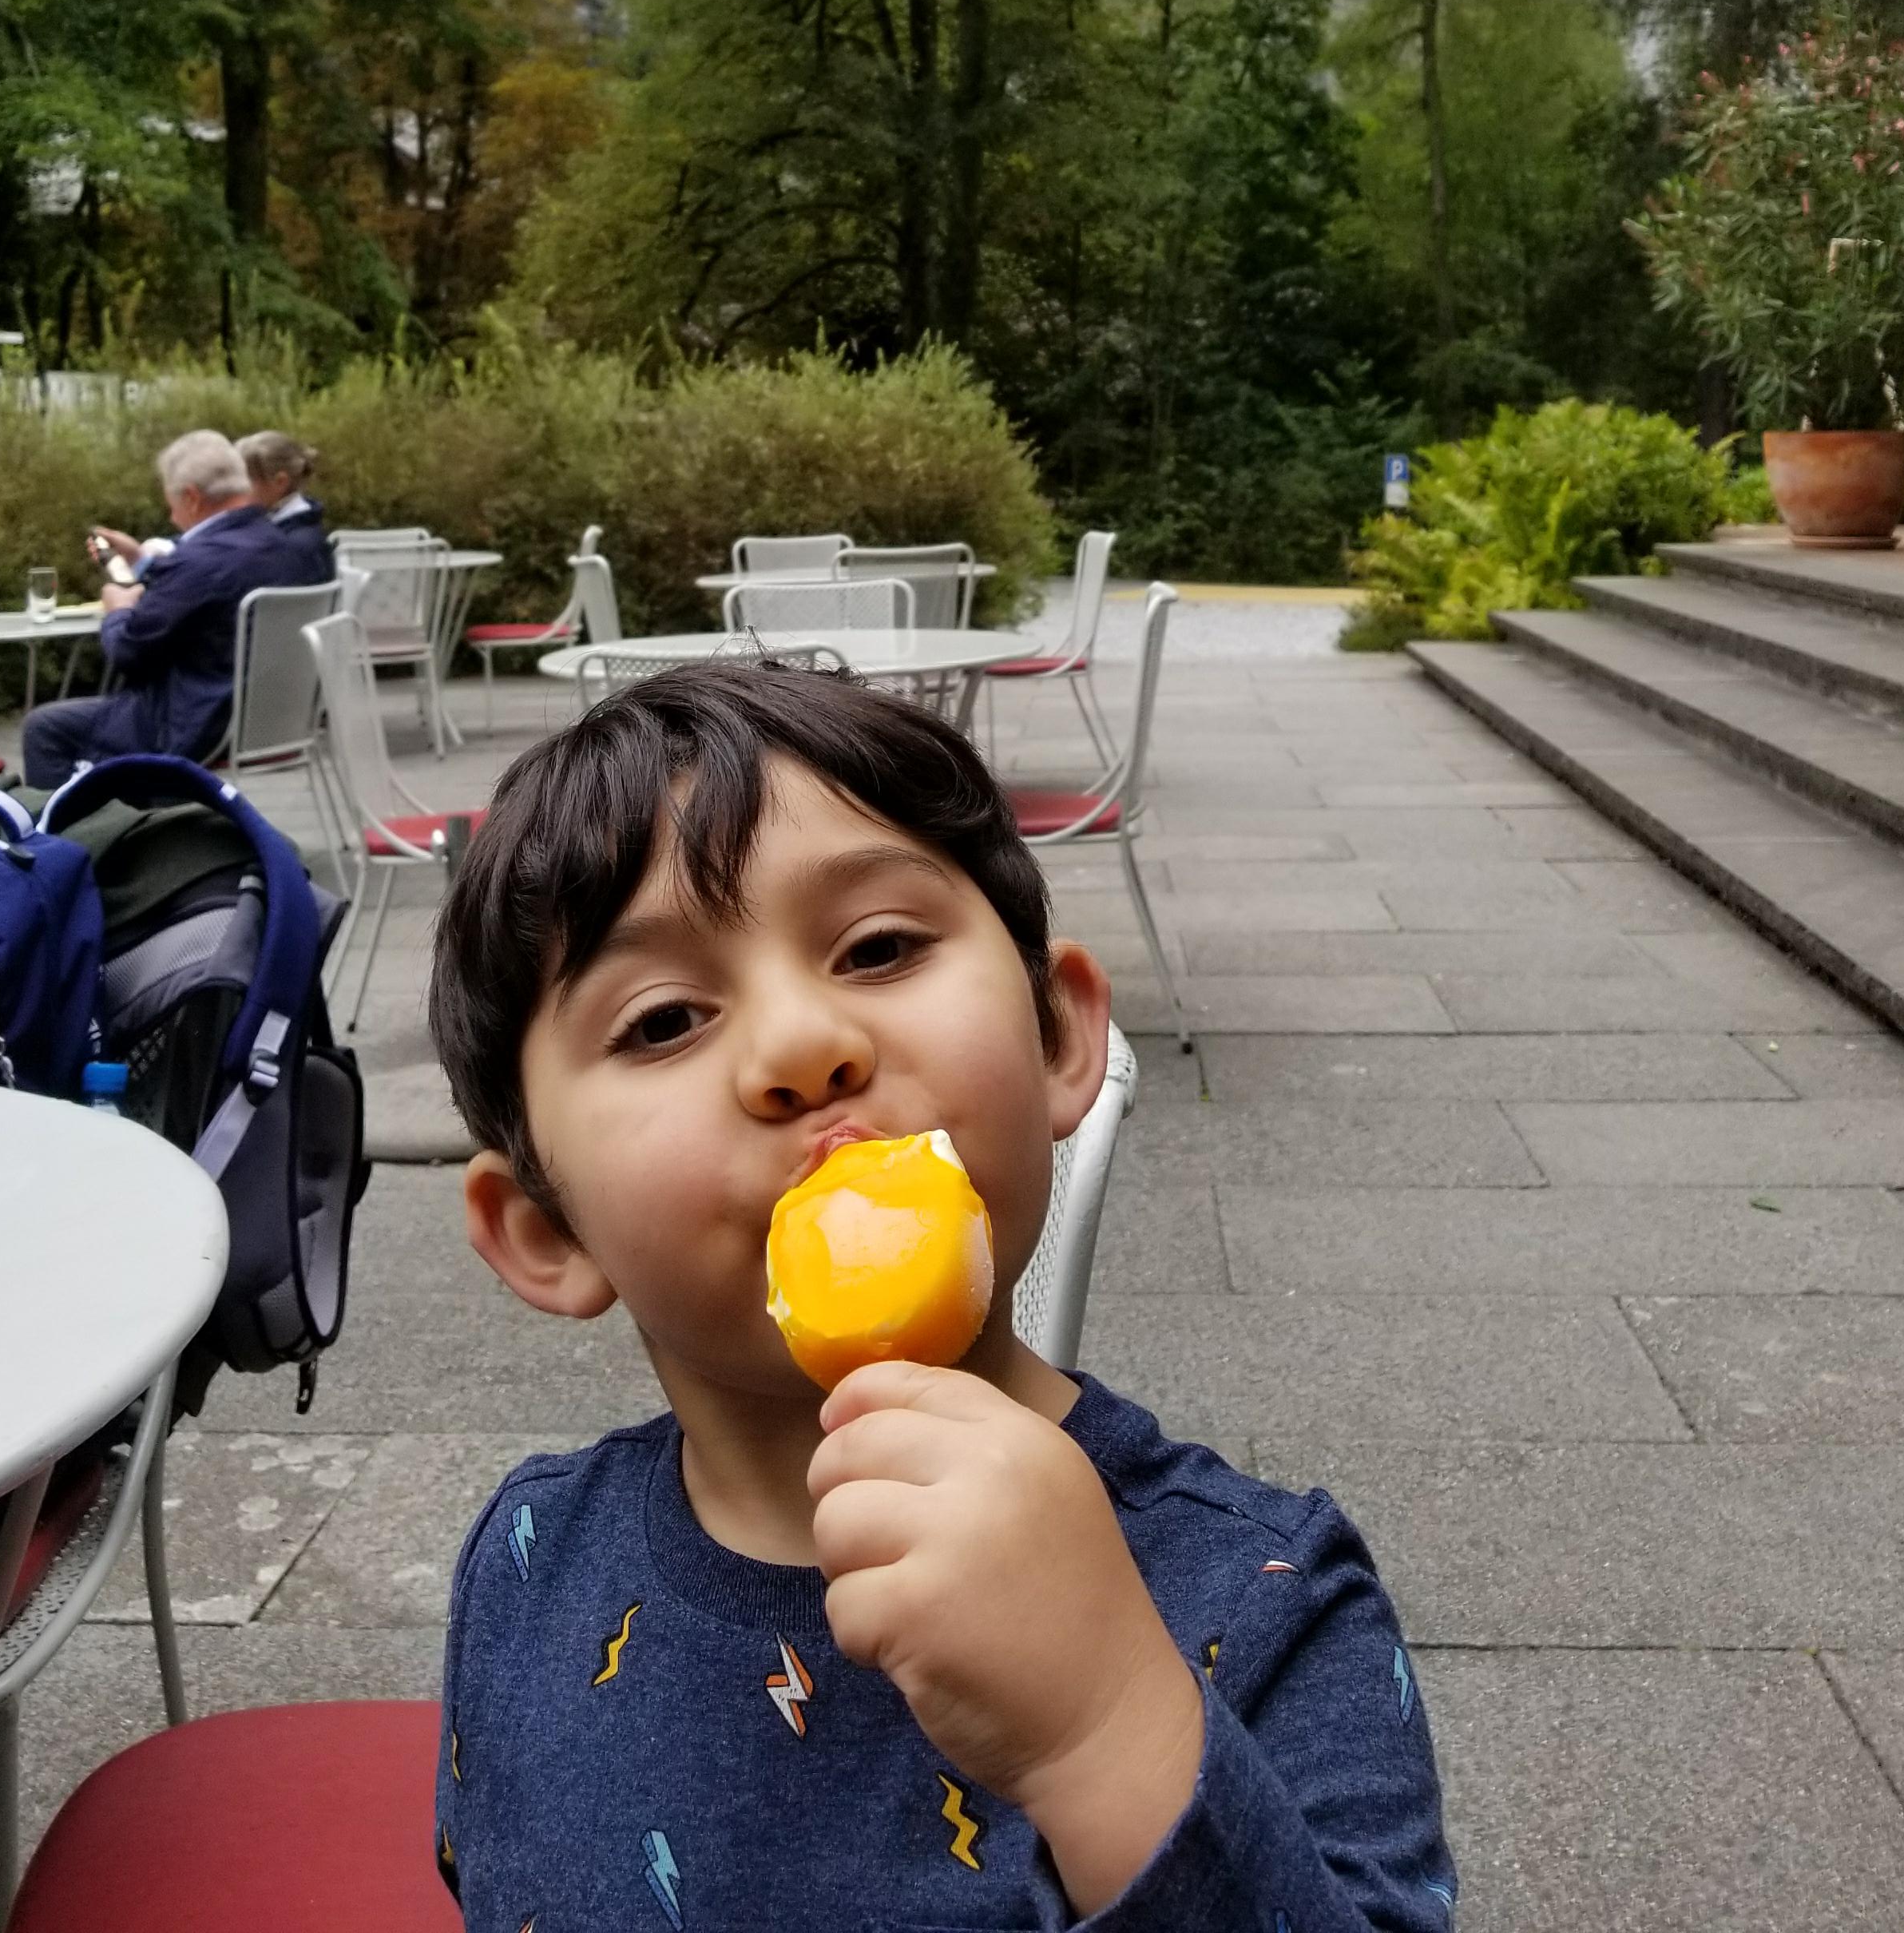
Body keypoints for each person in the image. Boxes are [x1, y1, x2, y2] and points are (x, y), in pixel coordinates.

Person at [426, 664, 1454, 1931]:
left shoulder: (1268, 1596)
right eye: (663, 1020)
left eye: (878, 948)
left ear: (1058, 1037)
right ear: (543, 1231)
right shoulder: (528, 1564)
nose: (804, 1047)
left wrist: (1105, 1732)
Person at [21, 430, 309, 792]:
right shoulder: (286, 547)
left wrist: (118, 610)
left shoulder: (198, 561)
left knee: (46, 728)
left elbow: (128, 652)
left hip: (195, 725)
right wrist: (140, 561)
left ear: (191, 498)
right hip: (272, 722)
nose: (172, 518)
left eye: (171, 504)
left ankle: (80, 829)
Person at [237, 430, 335, 588]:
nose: (237, 490)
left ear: (280, 482)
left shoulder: (294, 546)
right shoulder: (282, 529)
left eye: (245, 481)